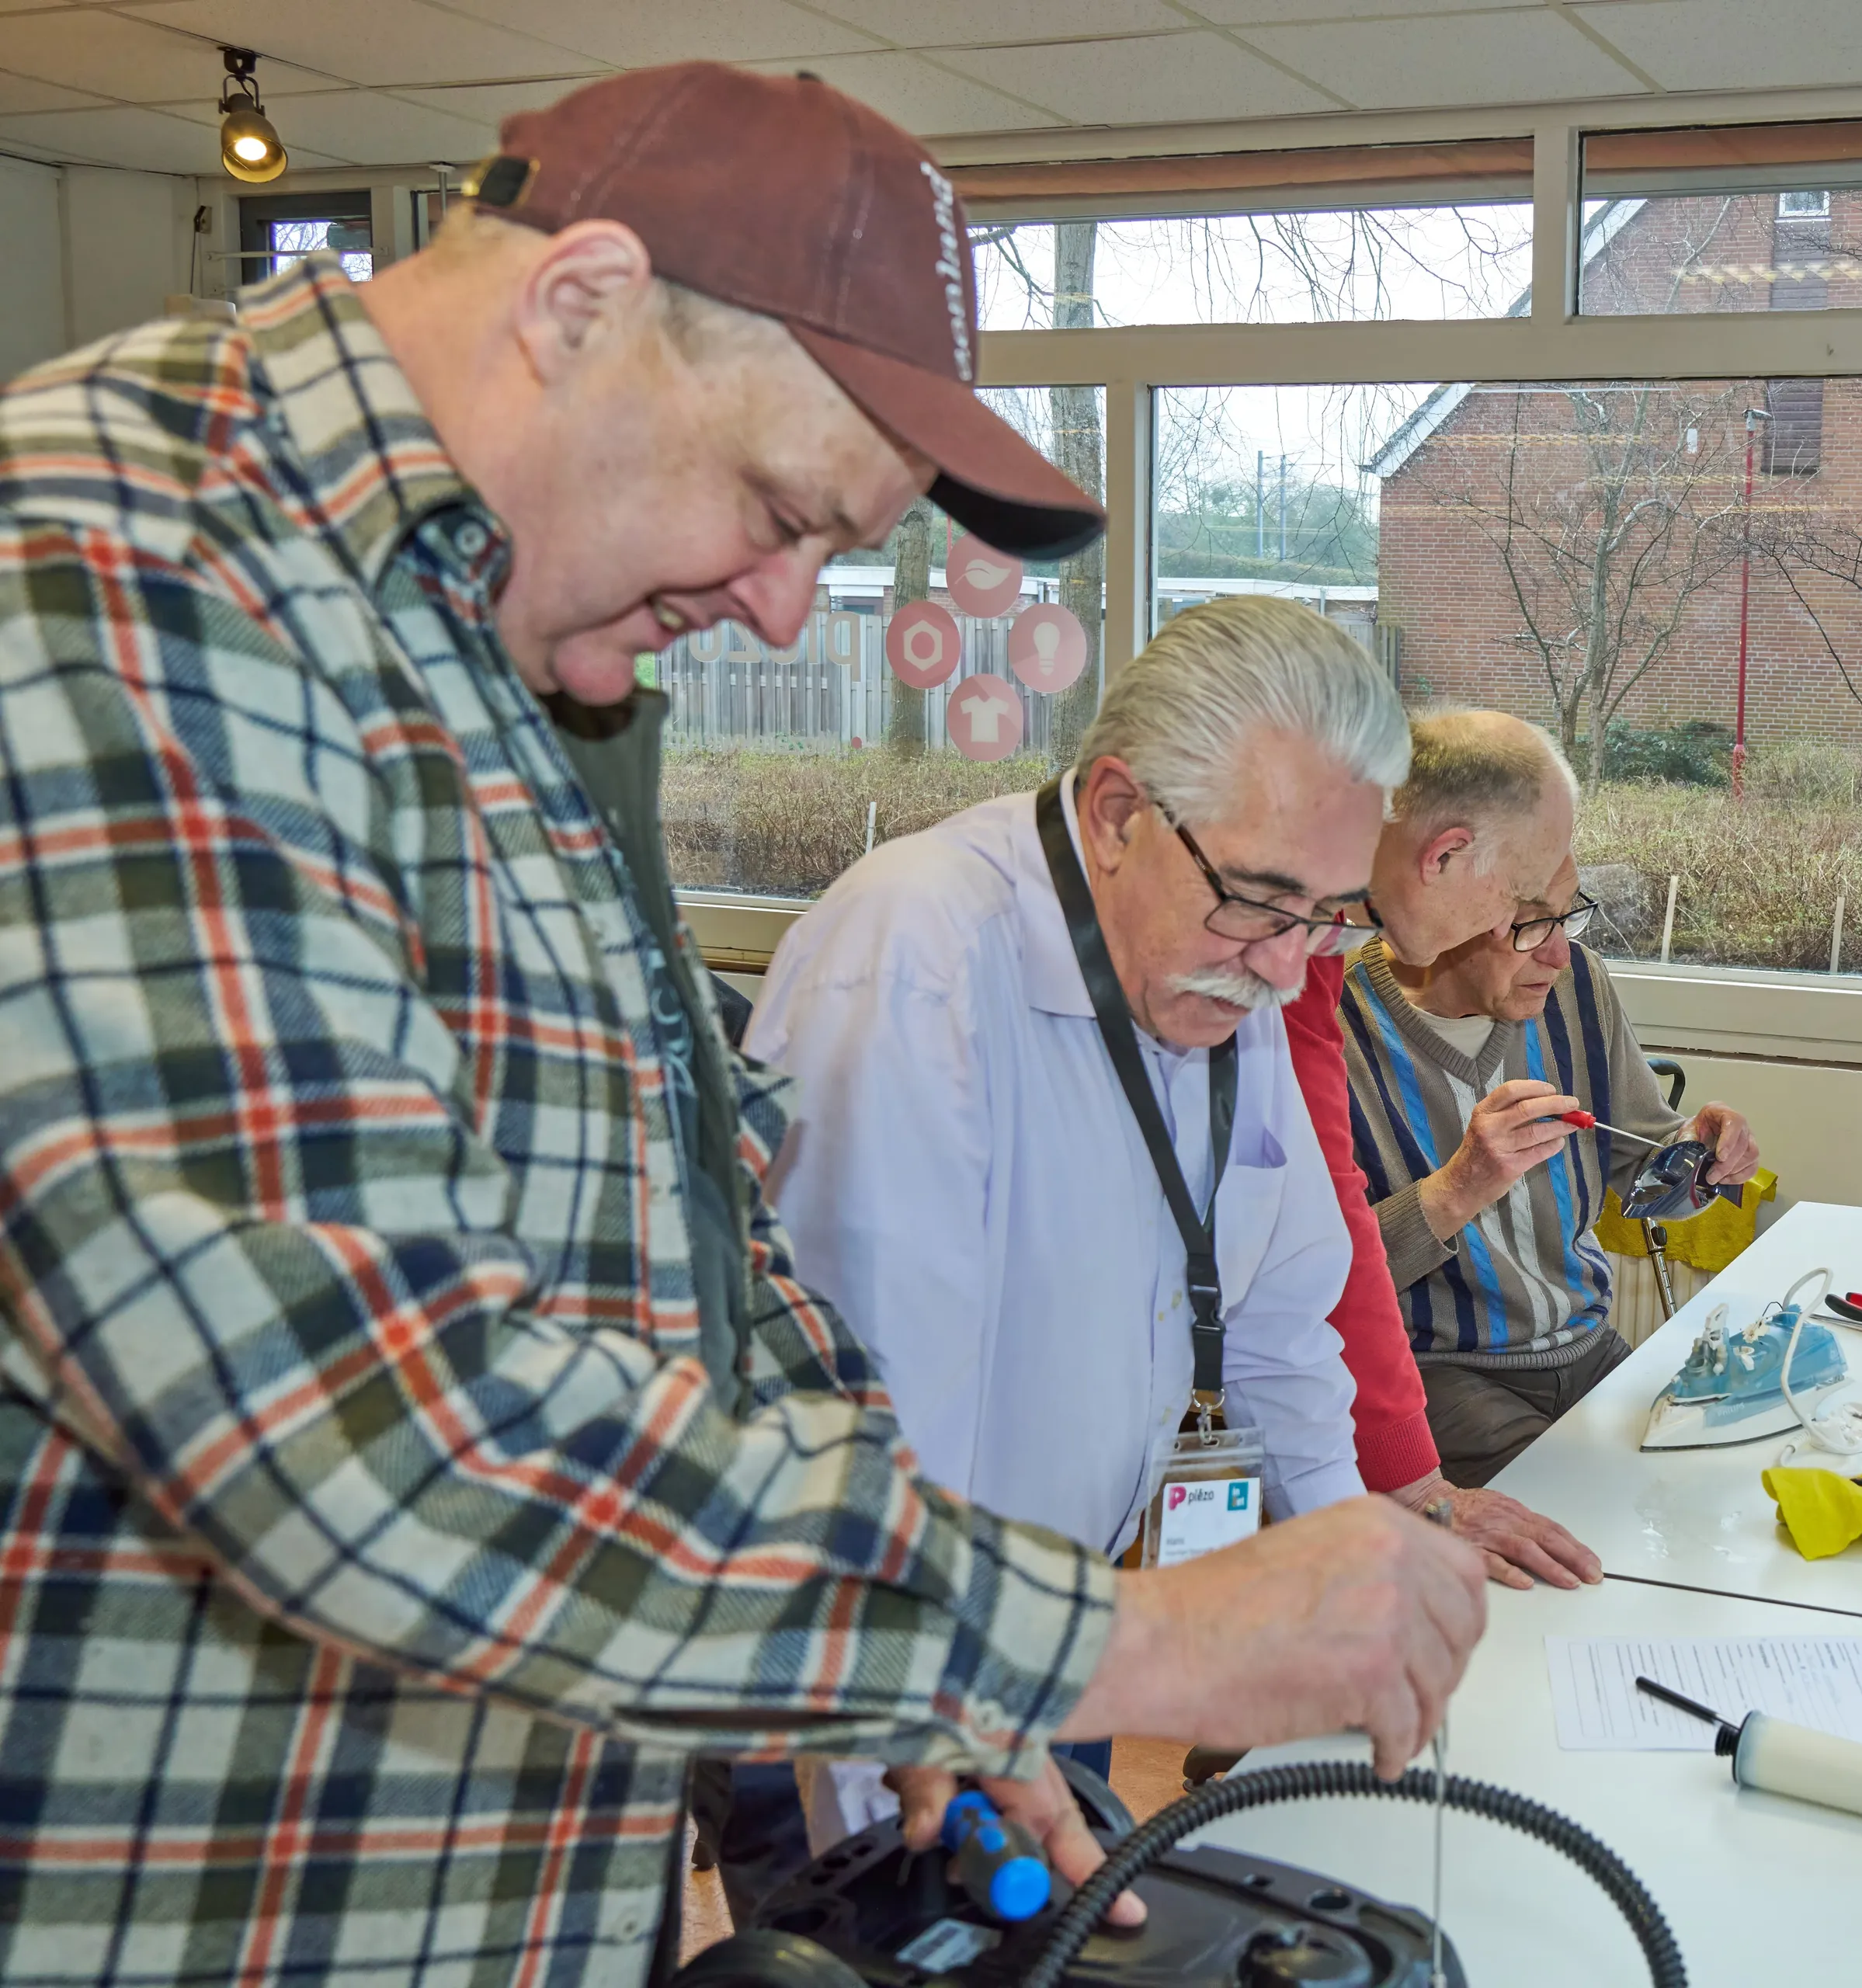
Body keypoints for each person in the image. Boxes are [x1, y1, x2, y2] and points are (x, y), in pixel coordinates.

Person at [0, 64, 1479, 1986]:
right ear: (579, 305)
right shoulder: (115, 574)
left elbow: (696, 1257)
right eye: (780, 511)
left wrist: (930, 1657)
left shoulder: (509, 651)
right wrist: (1107, 1637)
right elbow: (358, 1431)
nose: (786, 615)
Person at [745, 595, 1407, 1836]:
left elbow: (1279, 1324)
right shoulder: (917, 961)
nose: (1289, 968)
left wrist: (1360, 1599)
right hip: (884, 1689)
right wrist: (902, 1821)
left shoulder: (1223, 969)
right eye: (1263, 901)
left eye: (1327, 917)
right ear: (1115, 814)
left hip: (1059, 1632)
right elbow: (866, 1447)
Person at [1284, 713, 1607, 1587]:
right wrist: (1417, 1487)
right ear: (1446, 856)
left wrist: (1415, 1487)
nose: (1544, 944)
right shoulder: (1301, 957)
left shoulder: (1311, 942)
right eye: (1522, 905)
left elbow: (1316, 1234)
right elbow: (1317, 1248)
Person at [1342, 858, 1763, 1485]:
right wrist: (1459, 1187)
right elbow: (1316, 1281)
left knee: (1707, 1483)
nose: (1561, 955)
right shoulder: (1330, 1026)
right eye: (1532, 924)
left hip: (1587, 1344)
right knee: (1578, 1516)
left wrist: (1699, 1160)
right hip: (1438, 1372)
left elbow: (1642, 1161)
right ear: (1442, 913)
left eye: (1568, 916)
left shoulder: (1576, 985)